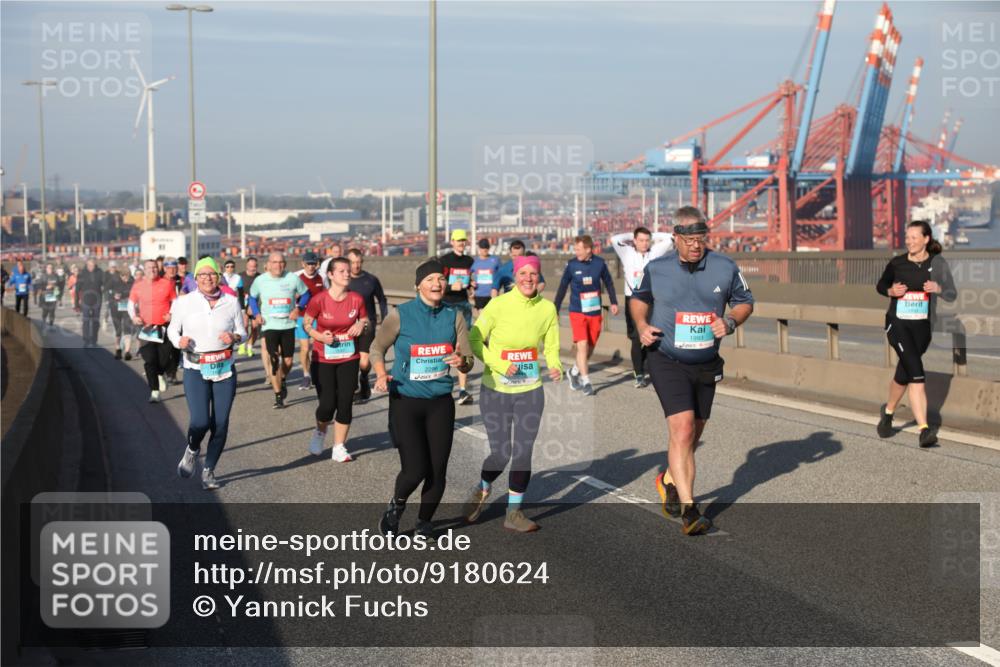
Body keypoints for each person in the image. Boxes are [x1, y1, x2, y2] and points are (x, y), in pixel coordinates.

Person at [631, 207, 754, 535]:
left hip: (706, 362)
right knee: (683, 429)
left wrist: (729, 321)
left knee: (694, 434)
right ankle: (690, 510)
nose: (696, 246)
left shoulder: (724, 266)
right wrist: (642, 324)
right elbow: (639, 299)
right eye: (689, 240)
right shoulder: (657, 268)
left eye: (701, 239)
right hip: (666, 357)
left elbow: (744, 302)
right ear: (676, 238)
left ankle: (668, 479)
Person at [370, 259, 475, 539]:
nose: (437, 284)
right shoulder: (400, 315)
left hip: (440, 402)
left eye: (441, 279)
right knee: (415, 468)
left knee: (438, 469)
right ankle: (397, 506)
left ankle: (424, 522)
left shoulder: (455, 316)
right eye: (430, 279)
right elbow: (377, 348)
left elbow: (468, 360)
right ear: (418, 285)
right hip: (406, 400)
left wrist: (461, 362)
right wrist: (381, 374)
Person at [463, 255, 562, 532]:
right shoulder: (498, 305)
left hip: (530, 390)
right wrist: (500, 364)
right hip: (496, 389)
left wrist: (554, 366)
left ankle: (513, 513)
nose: (528, 278)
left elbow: (551, 346)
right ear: (515, 276)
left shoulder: (547, 309)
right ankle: (483, 487)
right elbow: (473, 339)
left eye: (533, 274)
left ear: (539, 278)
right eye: (523, 273)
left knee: (523, 451)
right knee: (501, 454)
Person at [875, 220, 957, 448]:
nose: (909, 241)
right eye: (907, 237)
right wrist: (891, 290)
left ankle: (889, 411)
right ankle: (924, 429)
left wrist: (938, 289)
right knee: (917, 374)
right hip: (897, 325)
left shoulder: (937, 264)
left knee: (905, 371)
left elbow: (952, 293)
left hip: (923, 328)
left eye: (914, 237)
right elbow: (880, 285)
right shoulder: (897, 263)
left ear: (925, 239)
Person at [169, 257, 247, 490]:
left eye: (211, 274)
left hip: (224, 368)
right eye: (202, 275)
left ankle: (209, 471)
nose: (207, 278)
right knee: (200, 421)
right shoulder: (184, 302)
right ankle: (193, 450)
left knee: (220, 423)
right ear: (195, 278)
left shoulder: (231, 302)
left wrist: (234, 337)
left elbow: (242, 332)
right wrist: (178, 341)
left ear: (218, 276)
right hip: (195, 367)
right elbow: (173, 329)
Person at [303, 257, 367, 461]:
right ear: (330, 275)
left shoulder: (356, 299)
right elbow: (306, 324)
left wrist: (361, 325)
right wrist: (319, 336)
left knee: (345, 401)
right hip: (323, 359)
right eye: (341, 271)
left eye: (348, 271)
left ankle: (339, 447)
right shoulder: (319, 300)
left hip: (349, 356)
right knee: (327, 404)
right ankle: (320, 432)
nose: (347, 274)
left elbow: (365, 319)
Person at [554, 235, 619, 396]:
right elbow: (562, 286)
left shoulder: (599, 264)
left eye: (578, 249)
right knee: (582, 345)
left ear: (588, 249)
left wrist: (614, 302)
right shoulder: (571, 265)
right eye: (575, 249)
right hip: (577, 311)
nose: (575, 252)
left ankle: (574, 371)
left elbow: (609, 283)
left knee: (589, 348)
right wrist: (555, 308)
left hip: (594, 312)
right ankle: (586, 381)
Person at [610, 226, 674, 388]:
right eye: (641, 240)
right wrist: (633, 234)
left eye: (647, 240)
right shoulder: (627, 253)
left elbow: (670, 237)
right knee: (636, 338)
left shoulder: (655, 253)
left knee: (651, 336)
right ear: (635, 241)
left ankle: (650, 368)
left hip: (651, 300)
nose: (644, 243)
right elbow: (614, 239)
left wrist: (653, 233)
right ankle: (638, 373)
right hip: (632, 299)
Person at [248, 252, 311, 409]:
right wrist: (256, 314)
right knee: (274, 359)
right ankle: (278, 396)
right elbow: (252, 297)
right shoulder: (260, 280)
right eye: (275, 262)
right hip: (269, 325)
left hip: (288, 326)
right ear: (268, 264)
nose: (278, 265)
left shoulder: (292, 278)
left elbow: (306, 294)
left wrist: (298, 308)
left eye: (281, 262)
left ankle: (282, 379)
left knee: (288, 361)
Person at [129, 258, 178, 402]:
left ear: (158, 269)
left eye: (155, 267)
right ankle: (154, 391)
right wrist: (134, 317)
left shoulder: (167, 283)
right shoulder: (138, 285)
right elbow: (131, 304)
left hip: (163, 326)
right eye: (149, 268)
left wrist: (171, 314)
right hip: (146, 327)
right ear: (144, 270)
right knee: (149, 360)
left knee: (163, 359)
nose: (153, 270)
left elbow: (175, 301)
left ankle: (160, 373)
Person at [439, 229, 476, 405]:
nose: (461, 243)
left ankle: (462, 390)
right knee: (445, 346)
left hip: (464, 305)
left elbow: (469, 279)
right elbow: (437, 283)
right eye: (458, 240)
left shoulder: (469, 261)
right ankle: (440, 383)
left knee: (462, 347)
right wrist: (450, 288)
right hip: (447, 305)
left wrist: (472, 285)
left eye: (463, 240)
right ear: (452, 242)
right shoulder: (445, 261)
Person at [347, 248, 388, 403]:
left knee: (364, 362)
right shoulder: (343, 280)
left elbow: (382, 300)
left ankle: (363, 379)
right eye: (352, 262)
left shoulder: (371, 280)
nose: (356, 266)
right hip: (346, 326)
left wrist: (385, 320)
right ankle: (351, 388)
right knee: (350, 361)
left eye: (359, 262)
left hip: (367, 324)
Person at [295, 251, 325, 391]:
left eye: (313, 264)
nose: (311, 267)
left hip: (317, 317)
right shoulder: (297, 278)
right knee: (305, 348)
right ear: (303, 264)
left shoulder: (322, 278)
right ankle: (306, 375)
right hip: (302, 317)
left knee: (316, 348)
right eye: (308, 264)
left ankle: (315, 373)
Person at [75, 258, 105, 348]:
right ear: (86, 265)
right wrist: (76, 303)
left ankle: (94, 340)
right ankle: (86, 339)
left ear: (95, 265)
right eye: (89, 265)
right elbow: (77, 289)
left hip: (97, 300)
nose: (91, 267)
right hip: (85, 300)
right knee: (86, 321)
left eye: (92, 265)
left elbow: (106, 284)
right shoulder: (82, 274)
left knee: (96, 321)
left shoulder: (100, 272)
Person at [109, 268, 135, 360]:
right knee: (118, 330)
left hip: (127, 308)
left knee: (127, 328)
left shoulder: (132, 282)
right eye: (124, 277)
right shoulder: (114, 281)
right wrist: (113, 295)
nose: (126, 279)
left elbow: (135, 293)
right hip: (115, 308)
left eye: (128, 276)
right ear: (120, 276)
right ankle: (118, 349)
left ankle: (127, 352)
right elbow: (107, 291)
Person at [471, 238, 501, 314]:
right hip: (479, 294)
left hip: (492, 294)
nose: (484, 249)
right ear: (479, 248)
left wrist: (497, 288)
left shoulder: (495, 260)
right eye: (482, 247)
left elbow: (501, 274)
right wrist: (471, 283)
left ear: (489, 247)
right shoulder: (474, 261)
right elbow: (467, 274)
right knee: (482, 319)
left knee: (493, 318)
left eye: (486, 247)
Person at [238, 256, 261, 357]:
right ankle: (242, 344)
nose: (253, 268)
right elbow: (237, 292)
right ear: (247, 266)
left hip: (256, 304)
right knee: (245, 324)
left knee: (255, 327)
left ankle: (250, 347)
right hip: (243, 304)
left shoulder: (260, 277)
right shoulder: (240, 276)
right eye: (251, 266)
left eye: (255, 266)